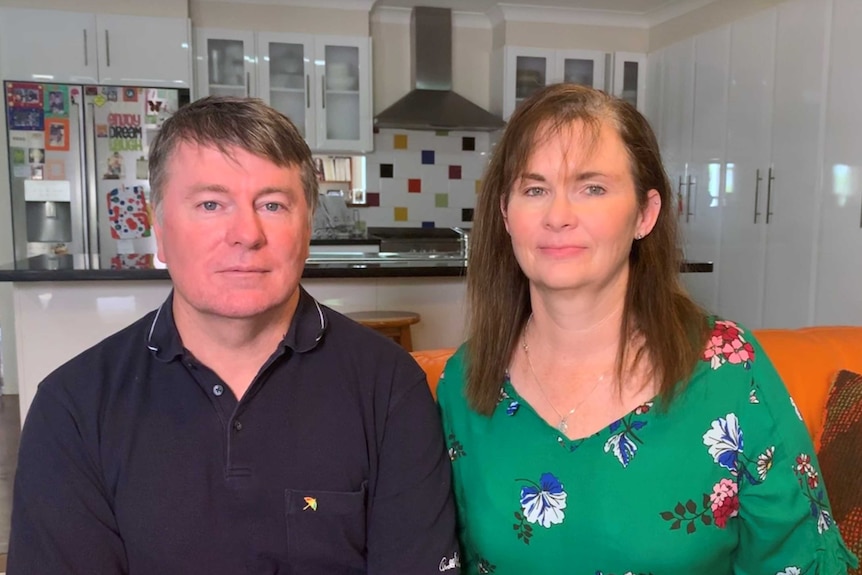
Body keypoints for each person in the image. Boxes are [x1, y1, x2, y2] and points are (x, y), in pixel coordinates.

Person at [9, 96, 459, 575]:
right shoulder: (73, 408)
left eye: (272, 204)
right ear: (158, 227)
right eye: (210, 203)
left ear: (307, 227)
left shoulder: (390, 387)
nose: (246, 233)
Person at [435, 83, 858, 575]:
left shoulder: (730, 371)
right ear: (506, 213)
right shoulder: (464, 384)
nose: (558, 216)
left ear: (645, 214)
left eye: (592, 187)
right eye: (535, 189)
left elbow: (799, 562)